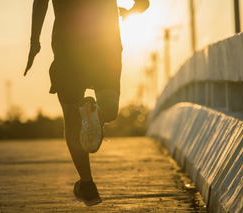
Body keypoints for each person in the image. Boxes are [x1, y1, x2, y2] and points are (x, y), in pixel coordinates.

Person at [24, 0, 149, 206]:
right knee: (109, 105)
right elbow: (143, 3)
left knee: (72, 118)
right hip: (105, 45)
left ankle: (87, 185)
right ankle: (99, 114)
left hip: (67, 47)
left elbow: (40, 2)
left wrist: (34, 42)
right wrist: (129, 12)